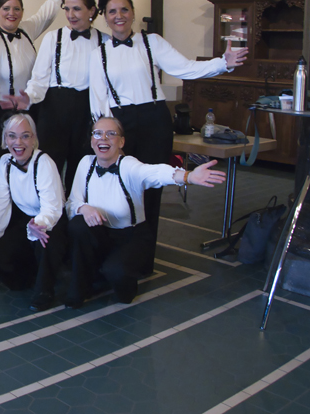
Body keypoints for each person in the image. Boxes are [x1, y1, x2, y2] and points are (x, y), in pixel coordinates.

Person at [88, 0, 247, 268]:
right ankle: (118, 255)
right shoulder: (98, 53)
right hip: (120, 123)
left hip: (154, 119)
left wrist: (222, 63)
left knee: (151, 189)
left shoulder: (152, 43)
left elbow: (184, 68)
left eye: (124, 9)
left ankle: (143, 260)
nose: (119, 16)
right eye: (112, 11)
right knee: (120, 186)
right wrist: (104, 135)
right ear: (105, 18)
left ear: (133, 13)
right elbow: (98, 101)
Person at [65, 117, 226, 308]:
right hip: (101, 233)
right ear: (92, 140)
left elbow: (155, 172)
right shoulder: (86, 163)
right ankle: (83, 285)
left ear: (121, 142)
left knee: (118, 278)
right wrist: (85, 207)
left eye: (111, 134)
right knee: (78, 224)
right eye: (98, 133)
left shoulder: (129, 165)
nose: (103, 138)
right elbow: (72, 203)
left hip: (131, 237)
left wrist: (188, 176)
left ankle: (118, 274)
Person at [0, 0, 72, 168]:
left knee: (29, 167)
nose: (12, 13)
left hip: (29, 111)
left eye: (17, 9)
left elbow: (44, 16)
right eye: (6, 8)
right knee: (7, 168)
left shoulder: (25, 31)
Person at [22, 0, 109, 193]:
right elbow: (39, 80)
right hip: (55, 110)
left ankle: (75, 215)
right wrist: (26, 99)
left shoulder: (104, 41)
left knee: (82, 171)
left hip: (88, 112)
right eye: (67, 9)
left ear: (92, 11)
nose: (70, 15)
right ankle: (47, 219)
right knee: (49, 169)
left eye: (77, 9)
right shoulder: (54, 38)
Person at [0, 113, 67, 312]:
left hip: (50, 220)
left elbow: (53, 208)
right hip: (23, 220)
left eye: (25, 136)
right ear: (5, 139)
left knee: (43, 239)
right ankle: (28, 277)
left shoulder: (44, 162)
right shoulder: (4, 162)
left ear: (34, 139)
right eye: (12, 136)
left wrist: (39, 223)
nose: (18, 142)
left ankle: (45, 290)